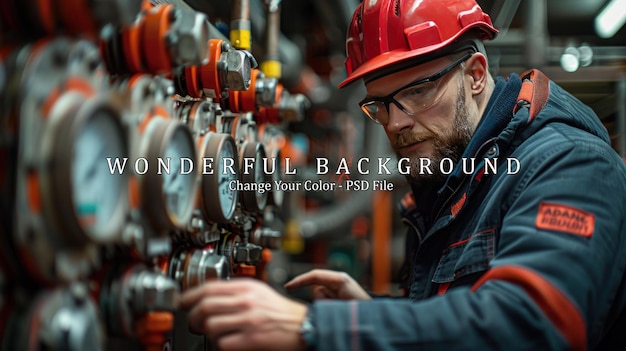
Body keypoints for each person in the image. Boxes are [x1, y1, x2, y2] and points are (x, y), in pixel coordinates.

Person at [180, 0, 626, 349]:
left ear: (474, 74)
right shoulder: (453, 179)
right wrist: (372, 311)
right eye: (380, 105)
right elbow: (456, 313)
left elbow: (531, 325)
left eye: (414, 92)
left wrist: (317, 327)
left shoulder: (568, 165)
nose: (394, 123)